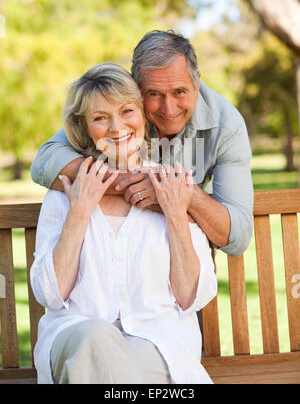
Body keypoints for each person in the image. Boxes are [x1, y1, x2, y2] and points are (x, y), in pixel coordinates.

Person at [30, 63, 217, 384]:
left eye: (127, 111)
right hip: (77, 334)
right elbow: (50, 294)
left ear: (143, 115)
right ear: (85, 127)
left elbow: (192, 298)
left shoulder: (171, 184)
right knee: (94, 341)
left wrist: (174, 215)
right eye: (100, 118)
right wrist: (80, 210)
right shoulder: (64, 192)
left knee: (118, 368)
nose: (117, 127)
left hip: (156, 338)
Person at [31, 30, 254, 256]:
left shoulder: (226, 125)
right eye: (154, 94)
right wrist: (133, 183)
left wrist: (178, 192)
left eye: (179, 91)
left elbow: (238, 237)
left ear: (197, 85)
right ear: (135, 88)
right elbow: (45, 161)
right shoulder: (122, 113)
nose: (168, 109)